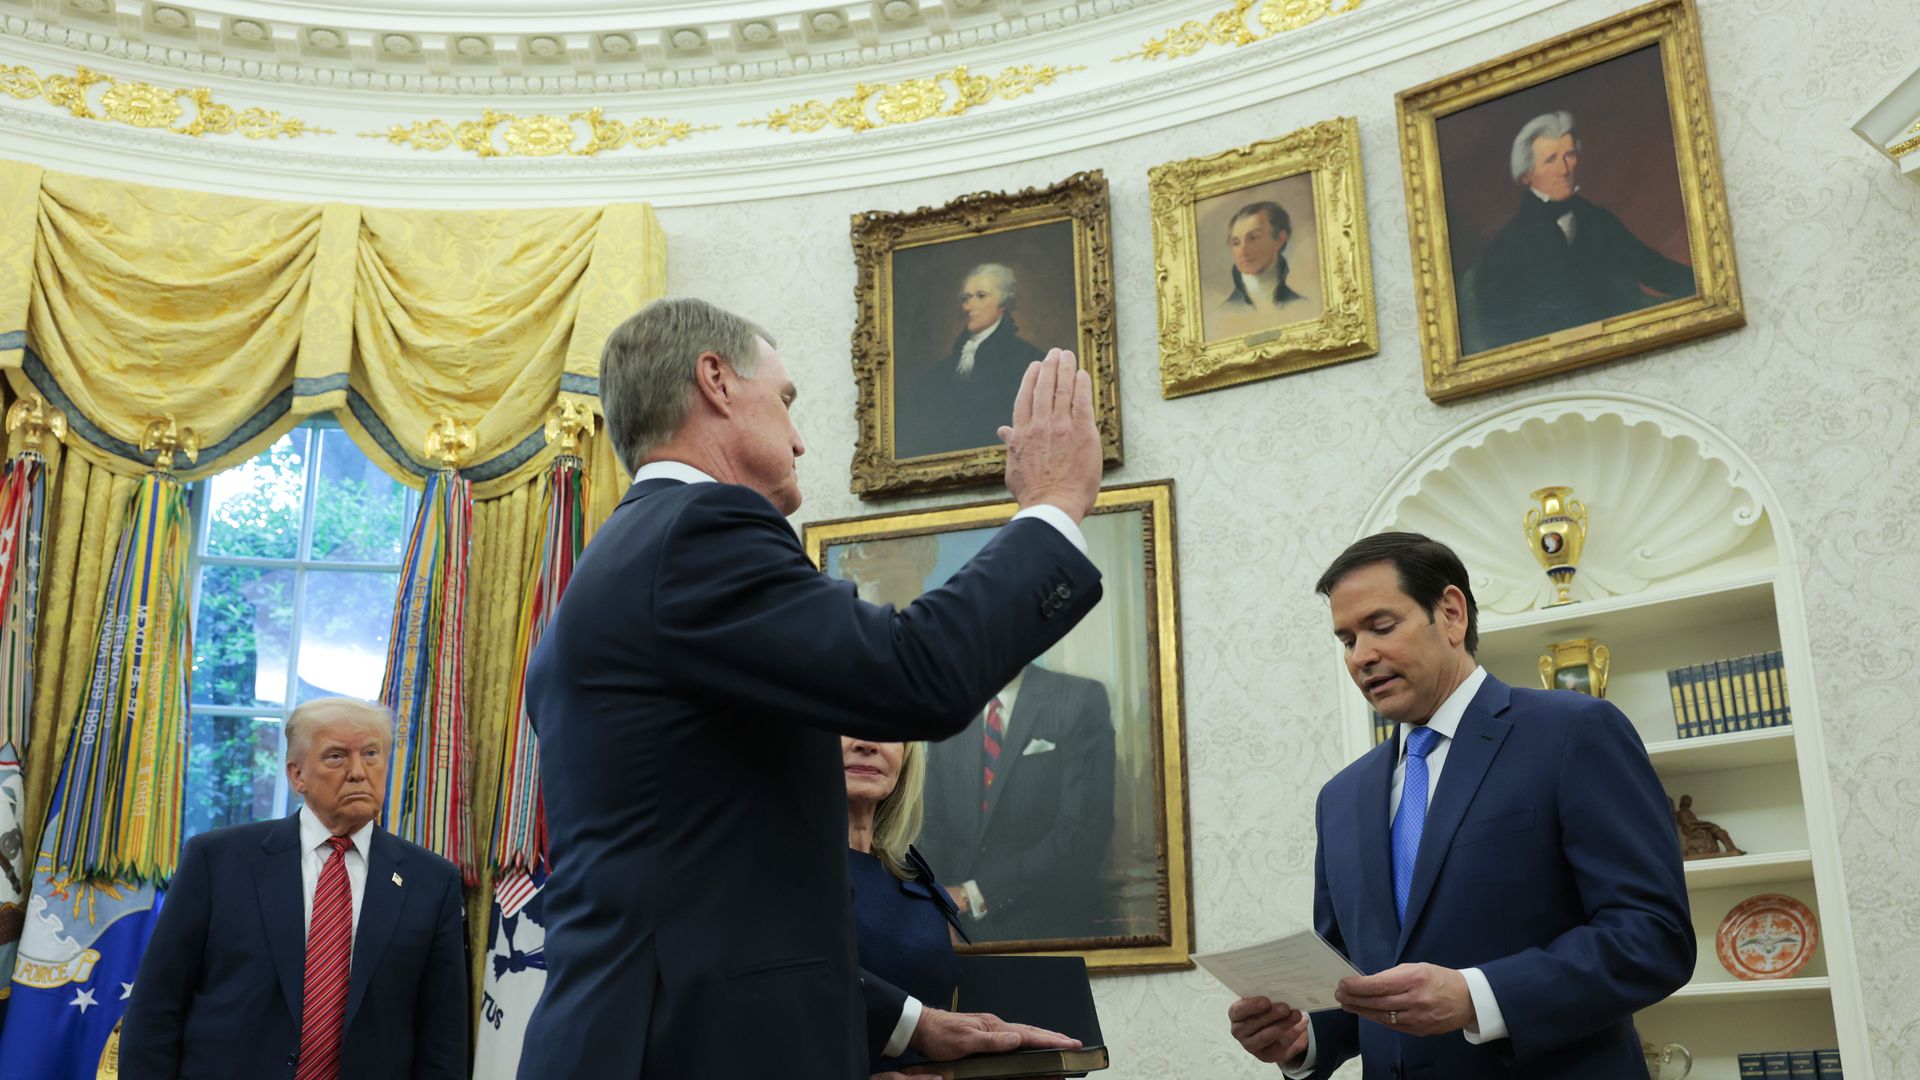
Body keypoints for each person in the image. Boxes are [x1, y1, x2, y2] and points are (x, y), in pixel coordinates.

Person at [520, 297, 1105, 1080]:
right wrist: (1055, 507)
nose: (798, 436)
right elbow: (913, 674)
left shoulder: (634, 555)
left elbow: (720, 900)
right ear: (717, 381)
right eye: (786, 400)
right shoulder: (700, 530)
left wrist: (910, 1025)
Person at [1227, 532, 1693, 1078]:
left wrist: (1478, 997)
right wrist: (1302, 1037)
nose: (1362, 657)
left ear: (1451, 614)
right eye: (1347, 640)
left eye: (1381, 627)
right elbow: (1353, 981)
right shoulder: (1341, 798)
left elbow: (1653, 935)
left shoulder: (1574, 733)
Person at [120, 698, 468, 1080]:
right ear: (296, 774)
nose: (357, 772)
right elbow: (156, 1007)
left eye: (371, 754)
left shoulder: (433, 881)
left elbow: (443, 1038)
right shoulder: (217, 860)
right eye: (336, 757)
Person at [1461, 110, 1697, 353]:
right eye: (1550, 159)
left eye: (1569, 155)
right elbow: (1501, 332)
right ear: (1525, 174)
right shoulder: (1506, 248)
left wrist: (1709, 285)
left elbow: (1653, 268)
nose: (1564, 169)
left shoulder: (1599, 220)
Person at [918, 663, 1116, 942]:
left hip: (1049, 930)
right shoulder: (949, 708)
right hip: (953, 933)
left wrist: (973, 894)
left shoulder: (1080, 698)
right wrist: (932, 904)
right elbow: (931, 822)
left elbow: (1078, 831)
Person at [843, 737, 969, 1074]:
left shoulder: (917, 884)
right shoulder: (768, 876)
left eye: (886, 727)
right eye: (844, 723)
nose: (867, 742)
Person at [894, 263, 1046, 460]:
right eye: (966, 298)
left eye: (981, 296)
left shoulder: (1029, 360)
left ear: (1003, 303)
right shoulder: (941, 371)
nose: (968, 306)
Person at [1219, 202, 1306, 316]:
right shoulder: (1223, 314)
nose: (1243, 251)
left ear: (1280, 239)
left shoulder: (1303, 307)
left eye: (1254, 238)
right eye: (1236, 243)